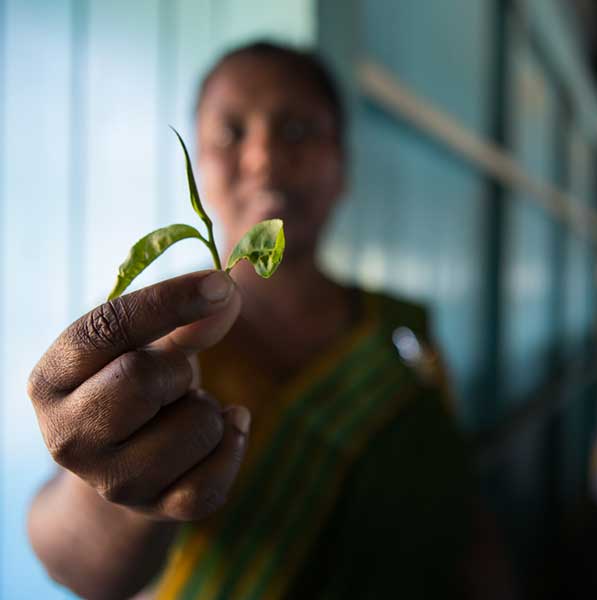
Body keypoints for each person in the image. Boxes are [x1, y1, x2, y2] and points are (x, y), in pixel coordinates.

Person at [26, 41, 482, 599]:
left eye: (296, 131)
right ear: (199, 162)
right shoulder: (153, 346)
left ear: (342, 167)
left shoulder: (405, 332)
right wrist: (112, 488)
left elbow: (463, 517)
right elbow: (77, 565)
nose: (263, 157)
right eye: (231, 133)